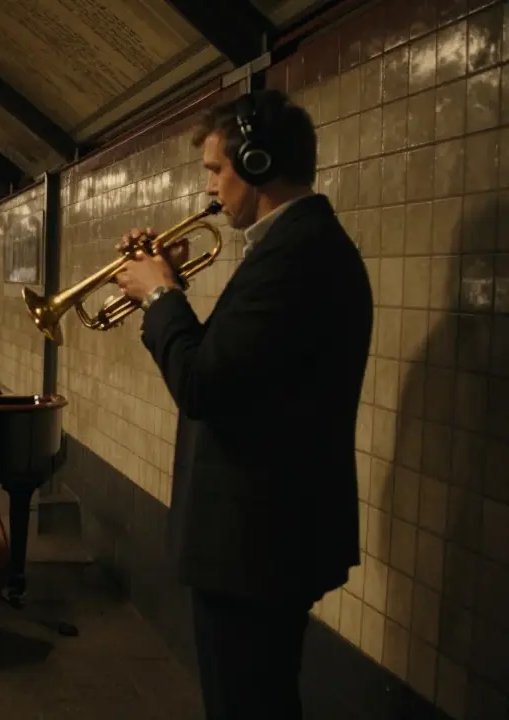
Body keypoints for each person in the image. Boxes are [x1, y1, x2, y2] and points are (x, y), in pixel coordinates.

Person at [113, 89, 372, 719]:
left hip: (257, 541)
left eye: (214, 170)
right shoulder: (291, 247)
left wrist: (159, 299)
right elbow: (238, 367)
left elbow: (201, 383)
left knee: (247, 705)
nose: (209, 192)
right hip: (264, 536)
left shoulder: (298, 255)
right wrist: (170, 285)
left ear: (257, 164)